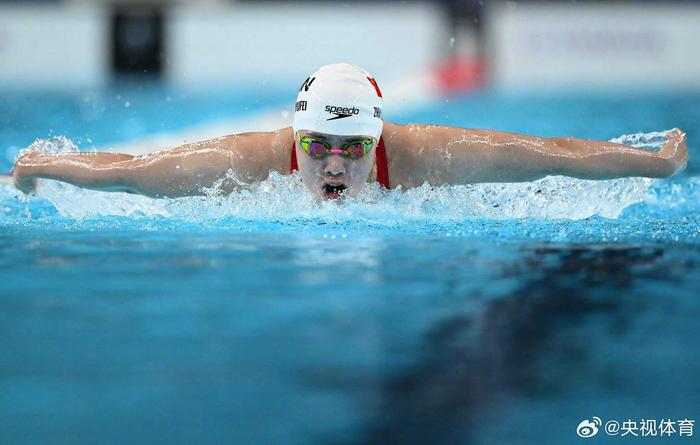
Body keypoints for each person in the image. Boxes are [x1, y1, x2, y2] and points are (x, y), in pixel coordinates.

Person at [11, 63, 688, 201]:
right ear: (295, 137)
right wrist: (47, 166)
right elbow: (134, 167)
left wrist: (651, 164)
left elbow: (550, 155)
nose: (333, 163)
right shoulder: (248, 161)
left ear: (379, 141)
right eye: (319, 145)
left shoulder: (426, 155)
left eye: (353, 148)